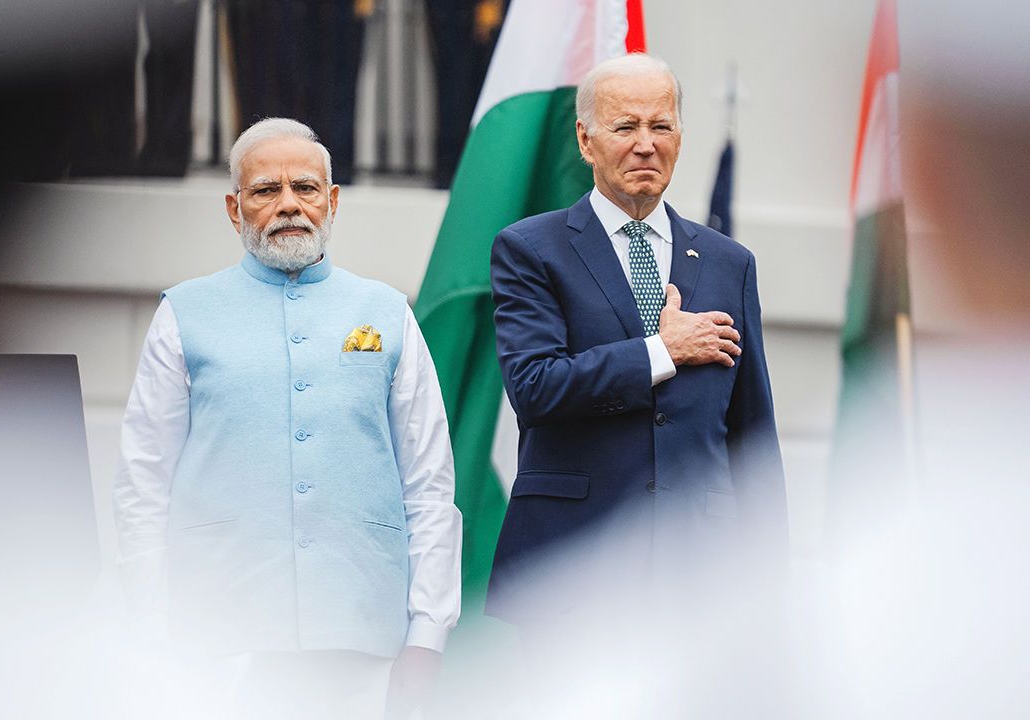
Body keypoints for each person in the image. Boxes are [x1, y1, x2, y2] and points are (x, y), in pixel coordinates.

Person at [113, 117, 461, 719]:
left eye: (304, 188)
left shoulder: (387, 312)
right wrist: (149, 626)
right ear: (234, 207)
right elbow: (143, 483)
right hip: (218, 639)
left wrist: (427, 634)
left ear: (332, 201)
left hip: (361, 631)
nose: (288, 205)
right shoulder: (183, 313)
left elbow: (428, 486)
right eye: (266, 190)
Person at [485, 53, 788, 660]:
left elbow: (752, 434)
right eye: (626, 128)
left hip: (700, 576)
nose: (646, 145)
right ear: (586, 139)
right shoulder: (531, 250)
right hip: (573, 571)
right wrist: (661, 350)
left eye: (662, 126)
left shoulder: (731, 263)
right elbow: (536, 388)